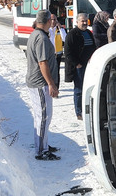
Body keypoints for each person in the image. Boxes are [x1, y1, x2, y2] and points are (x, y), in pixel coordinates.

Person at [25, 10, 60, 161]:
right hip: (40, 83)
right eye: (51, 20)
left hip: (37, 82)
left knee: (42, 116)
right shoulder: (40, 38)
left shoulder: (36, 34)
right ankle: (41, 151)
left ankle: (43, 144)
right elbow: (42, 63)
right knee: (43, 117)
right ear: (47, 22)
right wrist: (51, 84)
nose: (53, 22)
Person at [64, 13, 96, 120]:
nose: (84, 23)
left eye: (86, 21)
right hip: (79, 66)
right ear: (76, 22)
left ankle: (88, 109)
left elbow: (93, 47)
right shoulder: (72, 34)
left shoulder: (88, 32)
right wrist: (76, 63)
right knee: (79, 89)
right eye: (82, 21)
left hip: (90, 65)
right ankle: (79, 112)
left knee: (89, 88)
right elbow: (68, 52)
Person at [47, 14, 67, 89]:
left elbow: (65, 39)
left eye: (54, 20)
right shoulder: (46, 29)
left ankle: (56, 88)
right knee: (48, 72)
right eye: (51, 20)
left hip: (57, 54)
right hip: (48, 54)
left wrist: (61, 28)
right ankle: (49, 86)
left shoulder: (59, 29)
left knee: (56, 72)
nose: (53, 21)